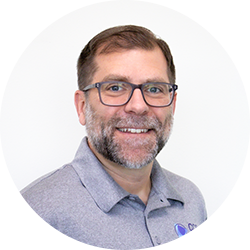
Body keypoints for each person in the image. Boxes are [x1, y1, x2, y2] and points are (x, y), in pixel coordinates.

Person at [0, 25, 207, 249]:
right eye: (116, 87)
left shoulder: (190, 200)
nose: (138, 106)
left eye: (154, 89)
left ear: (172, 105)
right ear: (82, 106)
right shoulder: (27, 222)